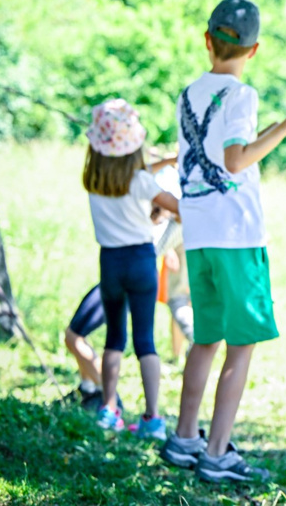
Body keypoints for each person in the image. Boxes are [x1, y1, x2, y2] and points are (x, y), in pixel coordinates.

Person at [160, 0, 286, 483]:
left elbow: (225, 146)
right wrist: (284, 129)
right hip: (237, 237)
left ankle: (184, 439)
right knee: (241, 346)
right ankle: (217, 452)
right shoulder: (241, 95)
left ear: (208, 41)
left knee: (205, 339)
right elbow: (236, 160)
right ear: (254, 49)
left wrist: (269, 131)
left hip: (198, 234)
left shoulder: (188, 94)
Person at [83, 99, 180, 440]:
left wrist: (164, 161)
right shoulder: (140, 181)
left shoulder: (93, 179)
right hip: (141, 261)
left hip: (110, 262)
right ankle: (152, 418)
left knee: (114, 338)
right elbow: (175, 207)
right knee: (145, 342)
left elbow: (129, 174)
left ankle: (109, 409)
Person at [65, 159, 186, 412]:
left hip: (116, 265)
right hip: (143, 271)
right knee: (143, 342)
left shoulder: (115, 188)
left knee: (84, 337)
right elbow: (143, 177)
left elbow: (137, 174)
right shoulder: (163, 213)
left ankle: (105, 398)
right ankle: (96, 390)